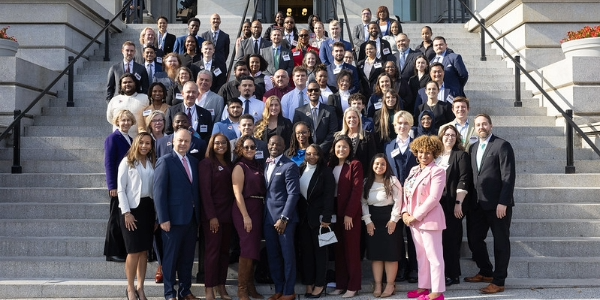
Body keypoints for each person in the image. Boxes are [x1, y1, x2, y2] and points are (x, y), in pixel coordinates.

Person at [464, 114, 516, 295]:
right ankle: (486, 271)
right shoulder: (473, 147)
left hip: (498, 205)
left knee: (501, 242)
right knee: (474, 239)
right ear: (475, 128)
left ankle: (499, 280)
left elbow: (508, 177)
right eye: (478, 124)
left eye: (484, 124)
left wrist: (504, 202)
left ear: (491, 126)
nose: (481, 127)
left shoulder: (502, 146)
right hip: (478, 204)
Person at [154, 128, 201, 300]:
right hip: (172, 221)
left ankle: (185, 291)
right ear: (173, 141)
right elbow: (159, 193)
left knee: (187, 259)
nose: (183, 144)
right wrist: (163, 218)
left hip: (191, 219)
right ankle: (169, 293)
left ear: (190, 143)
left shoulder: (194, 162)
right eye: (180, 140)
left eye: (186, 141)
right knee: (171, 259)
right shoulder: (165, 161)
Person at [402, 135, 447, 300]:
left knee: (434, 257)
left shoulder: (438, 171)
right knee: (421, 256)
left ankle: (437, 291)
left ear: (434, 153)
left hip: (429, 220)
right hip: (413, 220)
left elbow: (434, 198)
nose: (423, 155)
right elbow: (406, 193)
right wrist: (405, 213)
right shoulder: (414, 170)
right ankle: (423, 287)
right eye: (421, 152)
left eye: (428, 152)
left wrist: (415, 216)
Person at [118, 132, 156, 300]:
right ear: (136, 144)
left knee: (144, 253)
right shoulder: (127, 162)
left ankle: (141, 288)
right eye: (142, 143)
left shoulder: (152, 162)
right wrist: (126, 213)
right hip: (132, 210)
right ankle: (130, 288)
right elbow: (121, 189)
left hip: (148, 208)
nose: (145, 146)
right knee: (133, 251)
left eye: (148, 143)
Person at [263, 135, 300, 300]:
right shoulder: (265, 164)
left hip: (285, 220)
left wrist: (284, 218)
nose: (274, 146)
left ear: (284, 145)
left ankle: (289, 291)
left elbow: (293, 194)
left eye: (278, 144)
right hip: (268, 218)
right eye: (271, 143)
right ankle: (278, 288)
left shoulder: (289, 165)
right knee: (273, 255)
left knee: (288, 255)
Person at [384, 110, 418, 283]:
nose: (402, 126)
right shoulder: (389, 146)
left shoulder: (417, 144)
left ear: (410, 125)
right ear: (395, 126)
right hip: (395, 196)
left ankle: (414, 268)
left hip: (414, 196)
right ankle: (400, 268)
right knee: (396, 235)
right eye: (399, 123)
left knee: (413, 233)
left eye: (406, 123)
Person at [199, 133, 235, 300]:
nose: (221, 146)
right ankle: (209, 289)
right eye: (217, 143)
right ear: (212, 145)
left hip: (228, 215)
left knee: (224, 253)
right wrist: (211, 216)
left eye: (224, 143)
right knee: (212, 253)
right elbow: (205, 193)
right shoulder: (206, 164)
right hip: (213, 216)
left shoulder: (229, 163)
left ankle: (221, 286)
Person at [362, 154, 402, 298]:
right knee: (376, 255)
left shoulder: (392, 181)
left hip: (389, 219)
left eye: (383, 164)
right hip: (373, 220)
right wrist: (367, 221)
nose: (379, 167)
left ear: (387, 166)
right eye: (377, 164)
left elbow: (398, 201)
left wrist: (393, 220)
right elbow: (363, 203)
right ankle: (378, 284)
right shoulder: (366, 182)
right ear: (372, 165)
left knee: (390, 254)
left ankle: (390, 285)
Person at [297, 144, 334, 298]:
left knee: (321, 253)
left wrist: (326, 218)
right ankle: (309, 283)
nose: (311, 156)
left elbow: (328, 196)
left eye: (315, 154)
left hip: (320, 220)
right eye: (308, 153)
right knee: (306, 252)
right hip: (303, 218)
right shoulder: (300, 169)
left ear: (320, 156)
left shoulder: (325, 172)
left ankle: (320, 284)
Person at [232, 136, 267, 300]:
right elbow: (237, 193)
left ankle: (250, 285)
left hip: (258, 208)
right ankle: (242, 288)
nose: (250, 150)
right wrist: (245, 216)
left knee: (254, 248)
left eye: (252, 147)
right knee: (247, 248)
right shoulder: (240, 166)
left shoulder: (258, 165)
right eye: (246, 147)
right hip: (244, 208)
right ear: (240, 149)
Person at [328, 135, 363, 298]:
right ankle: (341, 284)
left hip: (349, 214)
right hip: (333, 212)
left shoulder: (355, 165)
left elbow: (357, 191)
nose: (341, 150)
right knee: (338, 249)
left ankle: (353, 285)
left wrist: (349, 214)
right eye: (338, 147)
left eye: (344, 147)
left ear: (350, 150)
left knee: (351, 250)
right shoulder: (331, 164)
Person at [436, 124, 471, 286]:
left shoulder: (460, 155)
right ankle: (439, 274)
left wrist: (459, 203)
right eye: (446, 135)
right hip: (435, 205)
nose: (449, 138)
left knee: (451, 240)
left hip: (452, 205)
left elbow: (464, 179)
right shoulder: (435, 156)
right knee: (438, 241)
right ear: (441, 136)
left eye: (452, 135)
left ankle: (453, 274)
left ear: (456, 138)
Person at [104, 110, 135, 263]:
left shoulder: (130, 139)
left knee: (122, 218)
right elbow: (109, 164)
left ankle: (122, 250)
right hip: (117, 187)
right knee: (115, 219)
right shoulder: (112, 138)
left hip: (127, 186)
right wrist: (112, 186)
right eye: (123, 120)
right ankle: (111, 252)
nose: (126, 123)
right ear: (117, 122)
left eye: (128, 120)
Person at [293, 81, 338, 155]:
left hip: (325, 153)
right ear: (307, 93)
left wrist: (319, 149)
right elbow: (296, 132)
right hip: (305, 153)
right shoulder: (299, 112)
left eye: (316, 90)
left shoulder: (330, 110)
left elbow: (333, 132)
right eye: (310, 90)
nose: (313, 92)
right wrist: (309, 150)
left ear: (320, 92)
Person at [337, 107, 376, 175]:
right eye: (349, 117)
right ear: (345, 119)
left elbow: (372, 158)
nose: (352, 119)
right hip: (342, 174)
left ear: (359, 119)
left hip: (362, 175)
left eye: (354, 117)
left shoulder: (367, 136)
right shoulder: (338, 137)